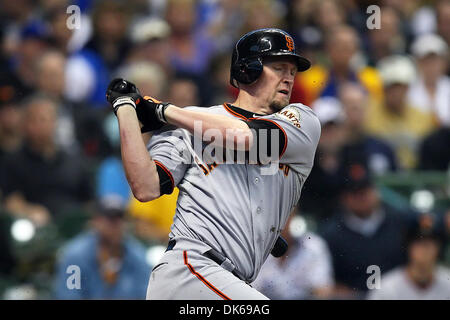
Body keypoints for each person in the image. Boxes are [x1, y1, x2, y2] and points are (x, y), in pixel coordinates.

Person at [106, 28, 321, 299]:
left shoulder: (302, 121)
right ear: (247, 70)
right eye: (279, 68)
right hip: (189, 270)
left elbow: (248, 138)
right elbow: (145, 187)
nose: (288, 78)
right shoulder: (191, 122)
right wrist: (126, 109)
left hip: (231, 282)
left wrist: (164, 111)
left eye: (292, 71)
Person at [319, 161, 413, 299]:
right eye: (355, 193)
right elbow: (325, 283)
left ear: (375, 191)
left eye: (365, 191)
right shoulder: (330, 234)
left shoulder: (400, 220)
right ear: (344, 197)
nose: (361, 197)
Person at [1, 96, 93, 226]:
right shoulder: (13, 161)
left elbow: (89, 201)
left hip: (74, 227)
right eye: (35, 120)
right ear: (25, 125)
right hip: (38, 231)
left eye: (45, 119)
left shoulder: (73, 160)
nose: (41, 126)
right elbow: (11, 202)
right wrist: (29, 211)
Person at [53, 195, 150, 299]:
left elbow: (144, 294)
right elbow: (68, 295)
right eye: (111, 219)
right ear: (96, 221)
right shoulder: (75, 256)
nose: (117, 225)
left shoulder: (137, 255)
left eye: (121, 219)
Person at [252, 212, 334, 300]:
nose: (281, 221)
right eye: (275, 216)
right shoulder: (255, 247)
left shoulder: (313, 246)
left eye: (287, 215)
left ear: (294, 216)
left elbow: (323, 291)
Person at [368, 215, 450, 300]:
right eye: (418, 243)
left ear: (440, 248)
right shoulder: (386, 288)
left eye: (429, 243)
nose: (424, 249)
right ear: (408, 247)